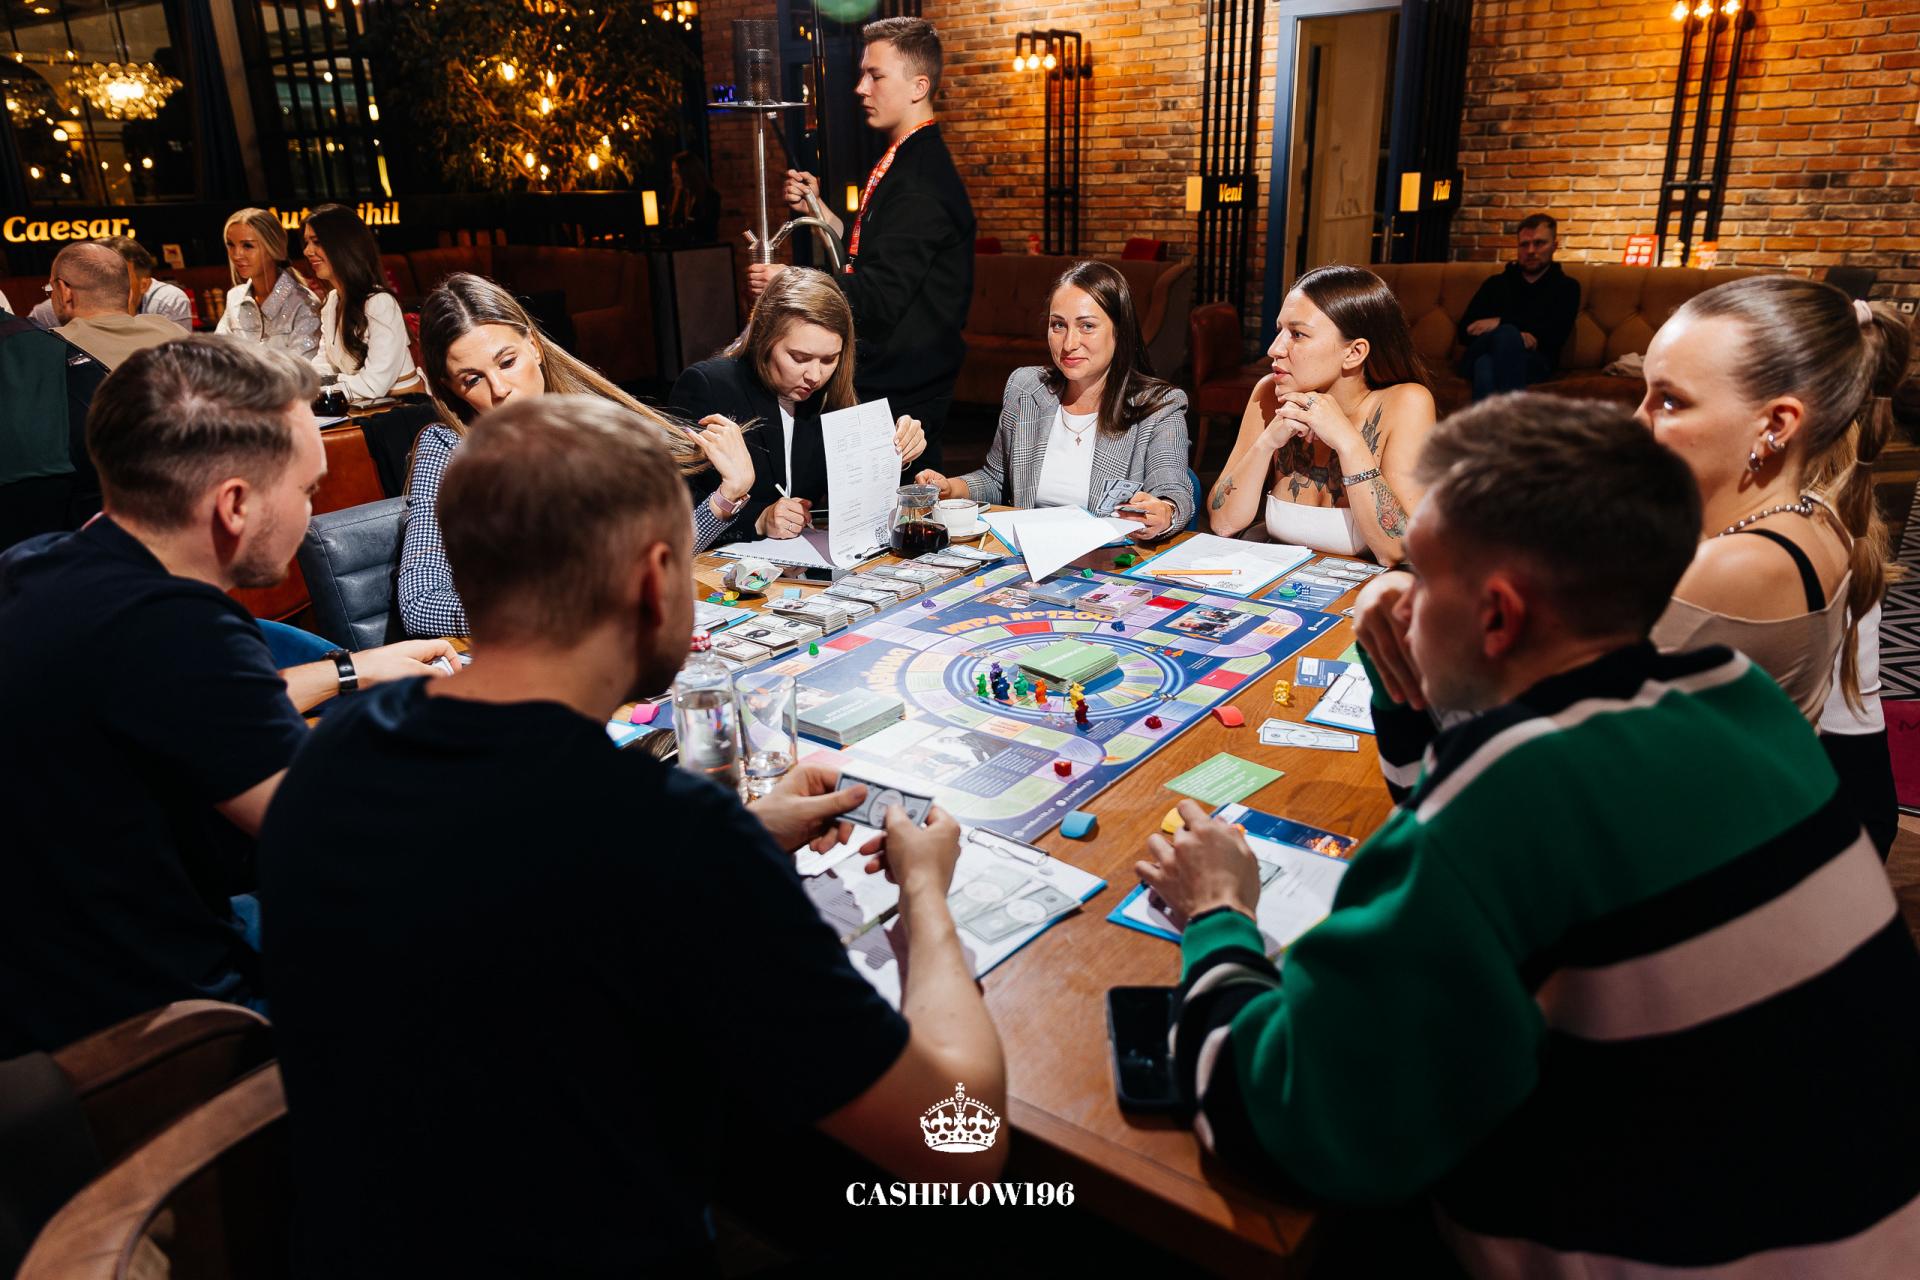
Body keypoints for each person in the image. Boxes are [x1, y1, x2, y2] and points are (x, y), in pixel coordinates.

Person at [1149, 393, 1920, 1277]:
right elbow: (1442, 807)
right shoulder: (1737, 696)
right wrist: (1408, 677)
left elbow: (1277, 1122)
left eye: (1423, 576)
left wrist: (1217, 911)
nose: (1393, 595)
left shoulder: (1509, 798)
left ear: (1499, 617)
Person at [260, 394, 1006, 1274]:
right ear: (656, 579)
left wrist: (734, 834)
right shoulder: (674, 839)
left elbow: (512, 890)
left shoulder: (335, 748)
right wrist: (923, 892)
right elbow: (956, 1145)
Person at [0, 337, 456, 1056]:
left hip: (44, 989)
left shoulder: (41, 564)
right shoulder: (176, 630)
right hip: (160, 1029)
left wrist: (352, 677)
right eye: (307, 491)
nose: (310, 511)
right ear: (235, 504)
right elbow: (344, 843)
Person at [402, 272, 755, 636]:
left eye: (507, 362)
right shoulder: (447, 450)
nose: (500, 389)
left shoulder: (587, 427)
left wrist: (726, 498)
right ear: (451, 388)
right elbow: (420, 604)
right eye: (473, 379)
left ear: (534, 347)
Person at [1638, 277, 1907, 722]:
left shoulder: (1734, 566)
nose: (1637, 418)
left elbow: (1591, 724)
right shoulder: (1821, 515)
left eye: (1670, 401)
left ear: (1776, 426)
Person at [751, 17, 974, 472]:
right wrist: (818, 209)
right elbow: (868, 254)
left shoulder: (920, 180)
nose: (860, 88)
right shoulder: (906, 158)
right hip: (892, 383)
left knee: (895, 510)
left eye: (875, 75)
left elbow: (876, 297)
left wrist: (792, 281)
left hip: (903, 394)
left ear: (918, 86)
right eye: (862, 74)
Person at [916, 261, 1192, 540]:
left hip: (1107, 558)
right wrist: (952, 488)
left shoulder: (1158, 406)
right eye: (1058, 325)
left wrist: (1165, 512)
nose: (1069, 343)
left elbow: (1174, 492)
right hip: (1028, 552)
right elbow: (997, 478)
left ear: (1119, 332)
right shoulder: (1026, 388)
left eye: (1087, 326)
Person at [669, 266, 925, 541]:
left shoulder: (830, 396)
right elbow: (675, 510)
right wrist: (759, 518)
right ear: (765, 340)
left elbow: (856, 500)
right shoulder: (709, 386)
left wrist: (895, 454)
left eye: (829, 359)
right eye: (799, 358)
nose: (815, 376)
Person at [1206, 264, 1436, 562]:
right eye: (1279, 331)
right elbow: (1224, 523)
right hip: (1274, 581)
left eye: (1297, 334)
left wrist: (1348, 443)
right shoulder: (1269, 394)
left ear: (1354, 352)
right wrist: (1266, 444)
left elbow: (1397, 551)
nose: (1274, 349)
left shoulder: (1405, 403)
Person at [301, 202, 424, 402]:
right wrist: (304, 382)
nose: (307, 251)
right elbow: (325, 362)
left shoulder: (379, 303)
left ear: (344, 247)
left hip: (406, 407)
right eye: (307, 242)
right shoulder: (332, 301)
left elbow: (374, 384)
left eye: (317, 242)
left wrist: (330, 383)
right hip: (363, 406)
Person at [1456, 213, 1581, 400]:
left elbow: (1554, 336)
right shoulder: (1495, 284)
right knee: (1506, 335)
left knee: (1486, 365)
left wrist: (1500, 323)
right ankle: (1515, 418)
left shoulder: (1567, 287)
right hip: (1479, 352)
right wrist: (1513, 333)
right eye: (1524, 244)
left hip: (1534, 361)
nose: (1530, 250)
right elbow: (1465, 331)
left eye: (1539, 243)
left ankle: (1491, 420)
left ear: (1554, 246)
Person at [45, 241, 180, 370]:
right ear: (130, 293)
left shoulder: (47, 348)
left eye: (51, 289)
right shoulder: (175, 332)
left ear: (64, 291)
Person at [213, 207, 321, 359]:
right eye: (231, 245)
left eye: (247, 245)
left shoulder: (304, 305)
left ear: (273, 247)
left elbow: (302, 368)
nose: (237, 255)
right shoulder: (235, 298)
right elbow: (216, 357)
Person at [29, 235, 192, 331]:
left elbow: (175, 368)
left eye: (118, 277)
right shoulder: (49, 312)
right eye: (94, 273)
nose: (105, 284)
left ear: (144, 285)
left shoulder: (165, 301)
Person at [667, 149, 721, 243]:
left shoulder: (710, 196)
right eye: (673, 172)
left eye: (677, 172)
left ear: (689, 172)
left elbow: (708, 229)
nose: (673, 176)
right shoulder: (676, 194)